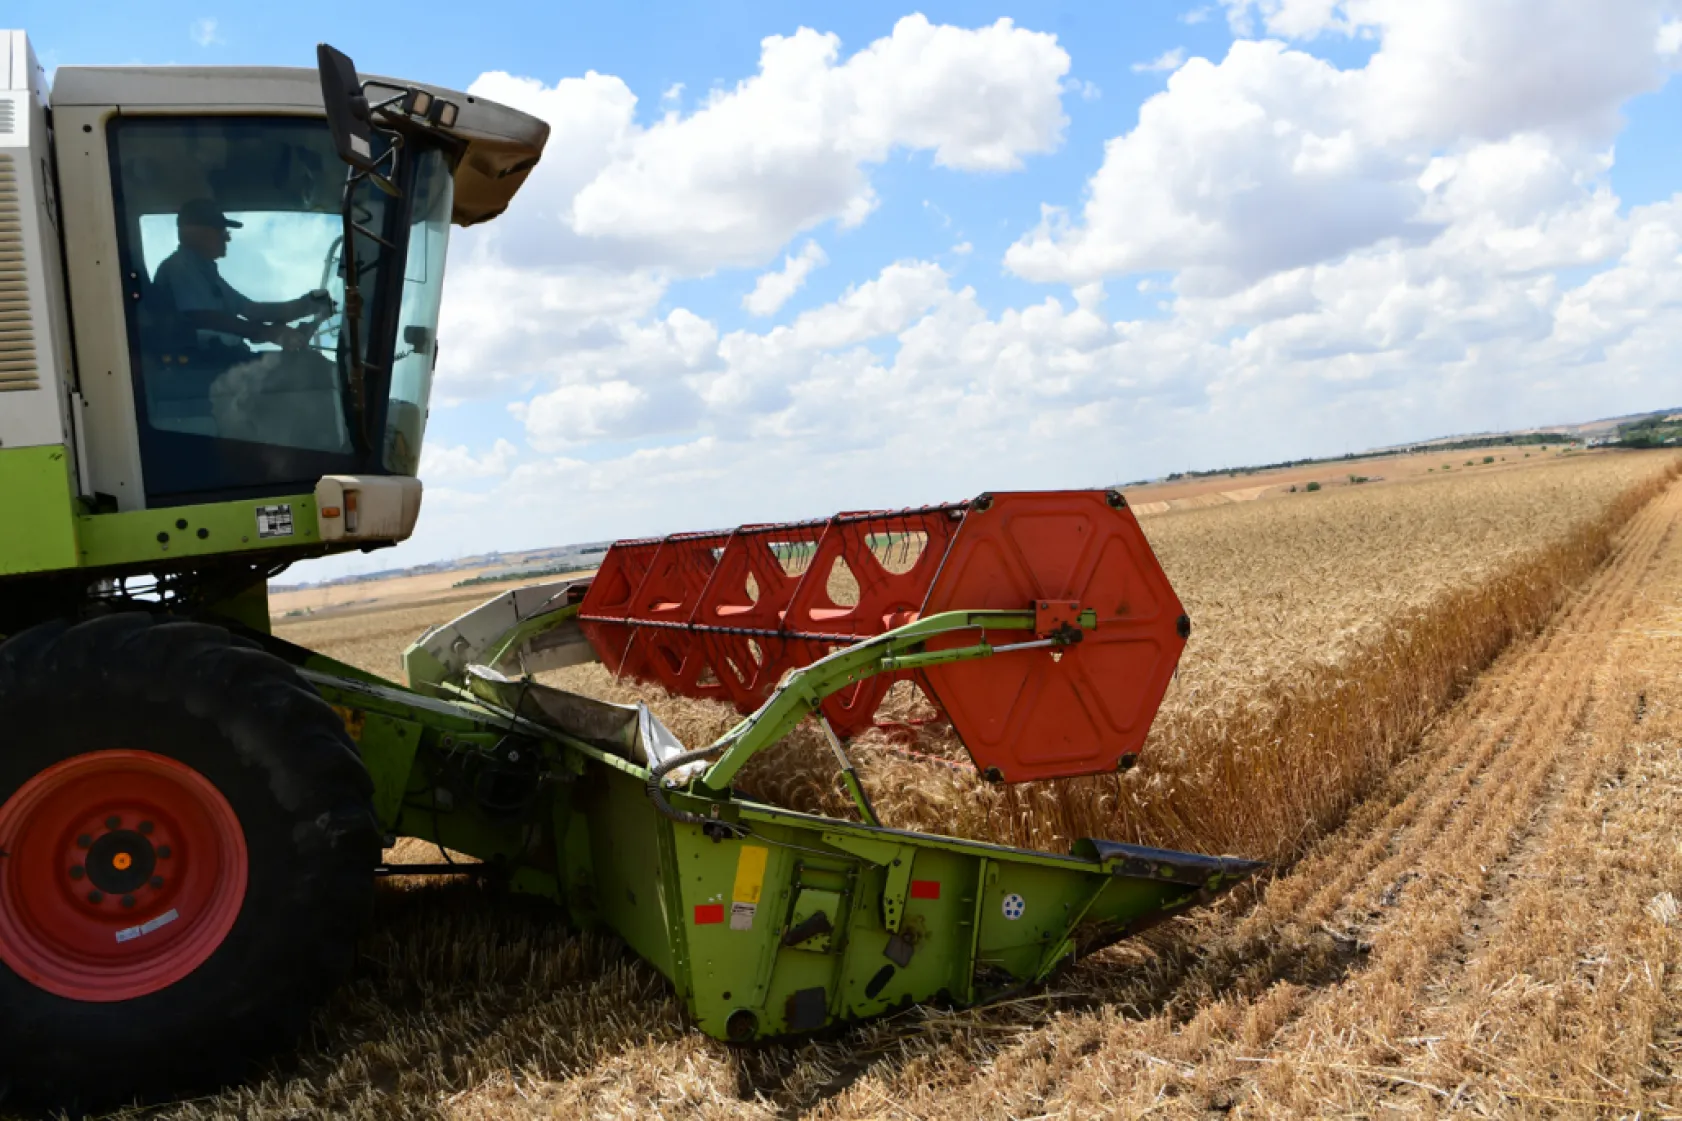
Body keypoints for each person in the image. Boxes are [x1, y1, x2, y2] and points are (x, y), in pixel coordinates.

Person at [152, 198, 335, 358]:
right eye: (222, 231)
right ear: (201, 233)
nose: (227, 238)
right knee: (314, 369)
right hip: (204, 364)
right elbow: (205, 318)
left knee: (306, 365)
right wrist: (269, 332)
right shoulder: (180, 268)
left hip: (225, 361)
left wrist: (306, 305)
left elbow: (252, 310)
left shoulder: (205, 272)